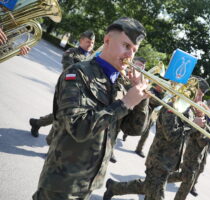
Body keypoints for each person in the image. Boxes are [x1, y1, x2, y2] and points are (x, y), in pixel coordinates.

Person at [32, 17, 149, 200]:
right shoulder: (77, 73)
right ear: (107, 40)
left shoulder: (120, 83)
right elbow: (79, 128)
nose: (130, 55)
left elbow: (134, 129)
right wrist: (124, 103)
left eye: (134, 50)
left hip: (91, 181)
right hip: (62, 182)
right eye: (126, 46)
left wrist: (141, 100)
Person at [103, 76, 208, 200]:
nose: (200, 99)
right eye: (198, 94)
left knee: (147, 187)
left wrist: (201, 121)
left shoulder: (189, 112)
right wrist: (192, 124)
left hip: (170, 163)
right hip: (159, 161)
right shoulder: (172, 107)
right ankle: (114, 188)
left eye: (202, 96)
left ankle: (114, 188)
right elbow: (171, 135)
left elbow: (197, 137)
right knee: (155, 194)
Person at [29, 30, 95, 139]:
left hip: (83, 92)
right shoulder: (71, 52)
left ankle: (37, 123)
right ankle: (51, 141)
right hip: (67, 88)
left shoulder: (93, 59)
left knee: (60, 113)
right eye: (88, 41)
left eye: (92, 43)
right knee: (61, 114)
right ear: (81, 40)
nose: (90, 45)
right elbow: (69, 72)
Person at [168, 99, 210, 199]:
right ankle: (157, 180)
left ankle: (157, 180)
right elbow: (202, 141)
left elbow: (209, 141)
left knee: (186, 180)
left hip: (199, 156)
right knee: (186, 180)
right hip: (192, 154)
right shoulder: (202, 118)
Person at [109, 56, 148, 163]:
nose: (140, 68)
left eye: (142, 67)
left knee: (115, 132)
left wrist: (143, 97)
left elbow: (134, 129)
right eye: (138, 65)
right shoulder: (121, 76)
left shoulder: (140, 82)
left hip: (119, 123)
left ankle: (110, 149)